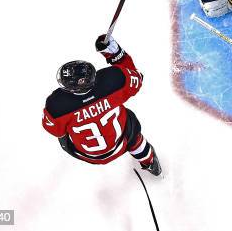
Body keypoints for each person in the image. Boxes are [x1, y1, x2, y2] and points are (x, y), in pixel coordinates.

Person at [42, 35, 161, 175]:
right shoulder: (113, 78)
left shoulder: (55, 105)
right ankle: (150, 162)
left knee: (63, 134)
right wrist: (116, 54)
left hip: (87, 155)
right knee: (130, 123)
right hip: (120, 143)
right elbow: (137, 77)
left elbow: (56, 131)